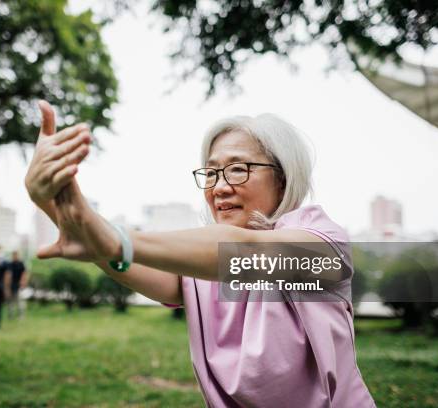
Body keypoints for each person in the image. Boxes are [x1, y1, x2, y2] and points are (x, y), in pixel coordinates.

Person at [25, 100, 376, 407]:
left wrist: (114, 240)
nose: (220, 186)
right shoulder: (198, 262)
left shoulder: (321, 244)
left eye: (239, 168)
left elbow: (247, 253)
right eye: (211, 172)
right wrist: (51, 201)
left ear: (283, 177)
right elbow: (129, 261)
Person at [7, 250, 29, 319]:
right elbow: (8, 275)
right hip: (12, 285)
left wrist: (23, 282)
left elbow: (24, 273)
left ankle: (21, 316)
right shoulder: (10, 264)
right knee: (11, 302)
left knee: (20, 301)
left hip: (19, 285)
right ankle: (11, 315)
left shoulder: (21, 264)